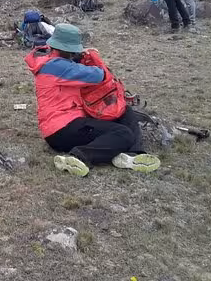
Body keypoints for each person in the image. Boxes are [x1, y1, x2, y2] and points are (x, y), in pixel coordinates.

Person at [24, 24, 160, 177]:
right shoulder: (58, 67)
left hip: (69, 123)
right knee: (123, 133)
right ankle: (80, 156)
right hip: (62, 131)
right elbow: (100, 75)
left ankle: (134, 155)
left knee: (124, 110)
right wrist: (92, 58)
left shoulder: (53, 62)